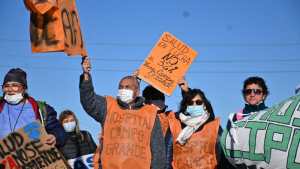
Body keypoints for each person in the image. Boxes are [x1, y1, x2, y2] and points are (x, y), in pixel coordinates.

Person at [79, 57, 166, 169]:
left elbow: (158, 150)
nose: (123, 90)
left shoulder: (150, 113)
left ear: (137, 91)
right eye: (121, 87)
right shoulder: (109, 106)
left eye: (127, 87)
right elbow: (89, 100)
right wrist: (86, 75)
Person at [165, 85, 231, 169]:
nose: (194, 105)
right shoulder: (175, 125)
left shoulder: (214, 127)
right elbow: (167, 156)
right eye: (190, 103)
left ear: (204, 105)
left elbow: (223, 157)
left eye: (198, 102)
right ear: (186, 106)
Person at [0, 68, 65, 146]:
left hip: (31, 155)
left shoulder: (41, 109)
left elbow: (58, 130)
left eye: (15, 85)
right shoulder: (1, 106)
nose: (10, 89)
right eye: (6, 86)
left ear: (24, 89)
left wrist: (55, 136)